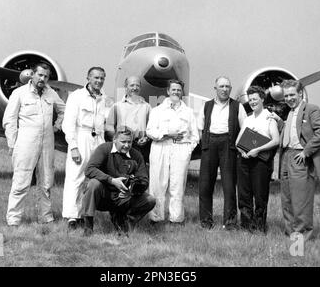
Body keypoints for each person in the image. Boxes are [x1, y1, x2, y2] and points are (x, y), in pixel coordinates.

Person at [2, 62, 65, 226]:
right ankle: (13, 220)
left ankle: (45, 217)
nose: (42, 79)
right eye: (40, 75)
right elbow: (9, 120)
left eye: (46, 76)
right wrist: (12, 143)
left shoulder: (51, 94)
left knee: (46, 182)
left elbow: (64, 110)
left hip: (47, 144)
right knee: (21, 182)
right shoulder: (19, 93)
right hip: (25, 144)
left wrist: (57, 125)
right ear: (33, 74)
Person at [62, 66, 113, 230]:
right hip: (81, 136)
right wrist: (73, 146)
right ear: (88, 78)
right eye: (96, 78)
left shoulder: (105, 99)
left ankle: (86, 214)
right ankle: (72, 216)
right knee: (75, 176)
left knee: (95, 177)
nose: (99, 81)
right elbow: (68, 123)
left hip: (98, 139)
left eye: (102, 78)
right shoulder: (76, 96)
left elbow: (108, 123)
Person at [279, 79, 320, 241]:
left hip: (301, 158)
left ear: (300, 93)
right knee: (286, 201)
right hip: (286, 157)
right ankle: (290, 236)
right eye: (286, 96)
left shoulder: (312, 109)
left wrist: (306, 152)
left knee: (300, 203)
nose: (289, 98)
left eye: (292, 94)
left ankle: (300, 242)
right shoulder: (290, 112)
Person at [81, 128, 156, 235]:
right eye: (123, 142)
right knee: (93, 184)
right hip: (104, 195)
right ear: (114, 140)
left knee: (150, 200)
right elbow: (89, 169)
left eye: (129, 142)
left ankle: (124, 221)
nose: (126, 145)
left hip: (124, 196)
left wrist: (131, 191)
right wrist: (112, 180)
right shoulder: (104, 149)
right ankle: (88, 226)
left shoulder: (137, 155)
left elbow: (144, 180)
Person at [146, 79, 199, 224]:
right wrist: (167, 134)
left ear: (182, 92)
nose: (176, 92)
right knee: (158, 183)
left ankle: (176, 218)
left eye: (179, 90)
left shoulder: (188, 112)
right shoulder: (157, 110)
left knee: (177, 184)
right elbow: (150, 131)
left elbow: (195, 136)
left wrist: (188, 150)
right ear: (168, 91)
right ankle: (156, 217)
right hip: (160, 146)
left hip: (181, 148)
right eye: (173, 89)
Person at [197, 76, 247, 230]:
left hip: (228, 145)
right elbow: (200, 128)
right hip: (209, 144)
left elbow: (245, 127)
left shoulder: (238, 106)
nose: (225, 89)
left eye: (227, 86)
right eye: (222, 86)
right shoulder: (206, 106)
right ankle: (206, 222)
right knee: (205, 185)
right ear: (215, 88)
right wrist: (206, 142)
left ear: (230, 89)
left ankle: (230, 223)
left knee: (229, 186)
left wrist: (238, 145)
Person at [235, 86, 279, 233]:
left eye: (255, 99)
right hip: (244, 160)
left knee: (260, 196)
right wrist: (242, 151)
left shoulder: (269, 117)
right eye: (250, 99)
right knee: (244, 194)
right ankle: (246, 226)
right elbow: (237, 141)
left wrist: (257, 150)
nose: (253, 102)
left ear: (262, 99)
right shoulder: (248, 118)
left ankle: (259, 228)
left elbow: (276, 140)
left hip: (260, 162)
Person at [105, 76, 151, 162]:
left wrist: (146, 138)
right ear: (126, 87)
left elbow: (151, 127)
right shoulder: (117, 106)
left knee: (139, 172)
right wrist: (118, 140)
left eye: (137, 85)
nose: (135, 88)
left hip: (140, 147)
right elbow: (109, 126)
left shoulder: (147, 107)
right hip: (121, 146)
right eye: (132, 85)